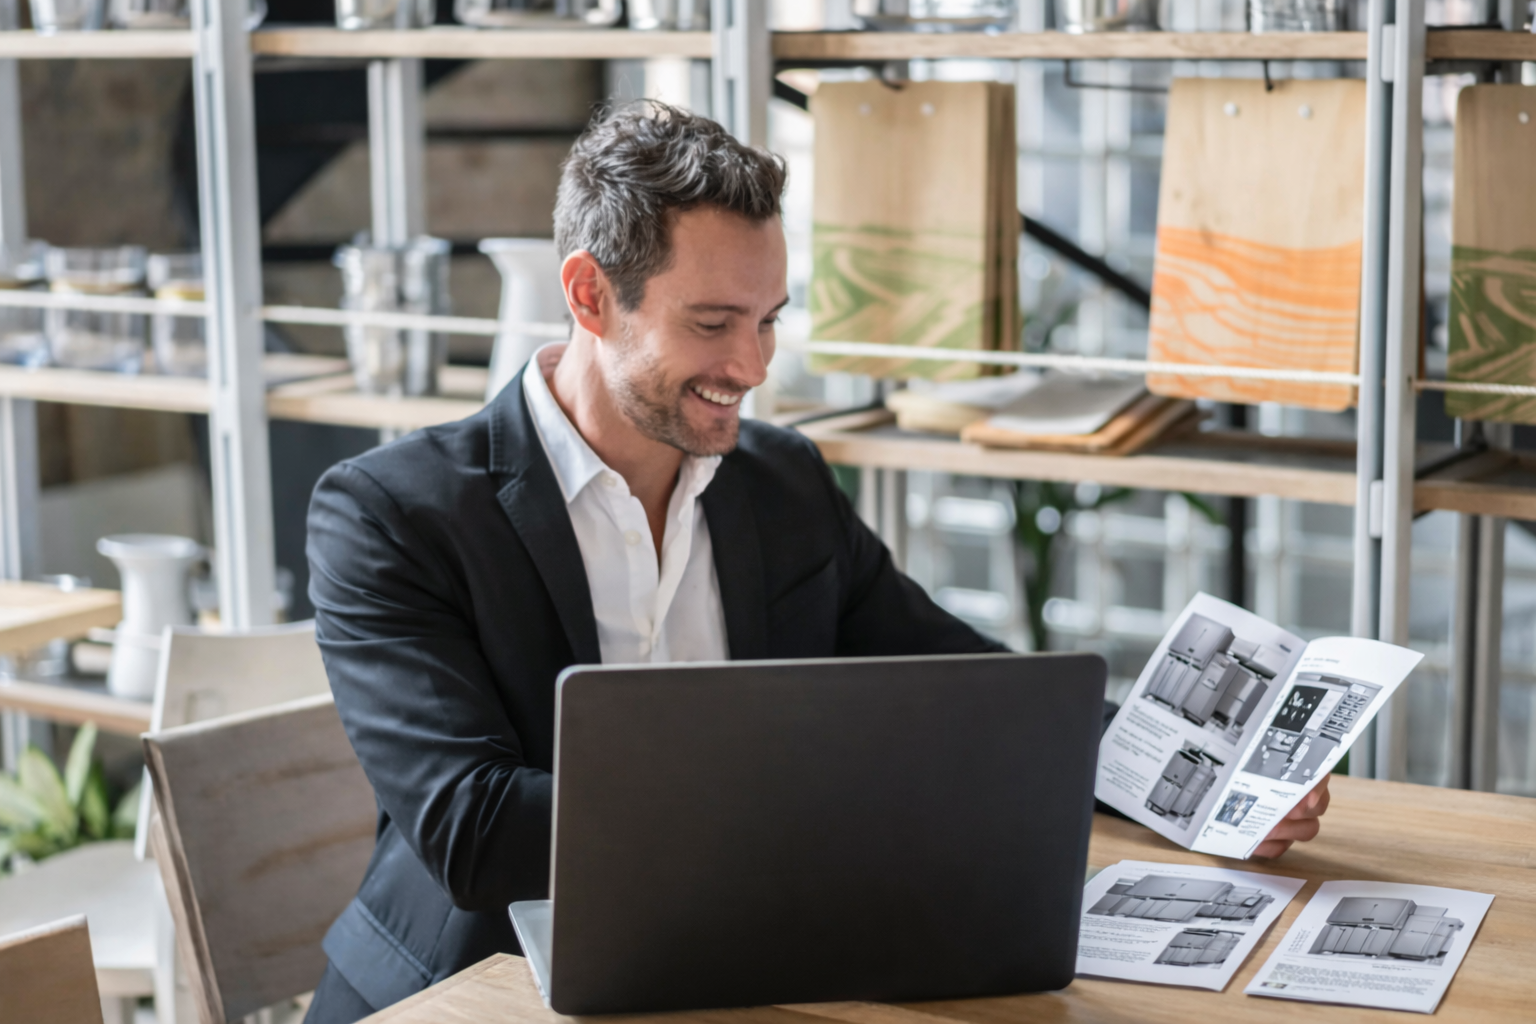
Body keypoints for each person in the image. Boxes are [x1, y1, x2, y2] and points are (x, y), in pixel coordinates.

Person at [302, 102, 1330, 1024]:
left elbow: (976, 690)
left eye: (768, 321)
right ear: (589, 294)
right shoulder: (392, 514)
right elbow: (474, 830)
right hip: (472, 988)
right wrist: (818, 797)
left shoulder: (779, 481)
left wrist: (1193, 778)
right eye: (712, 323)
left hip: (738, 966)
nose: (750, 367)